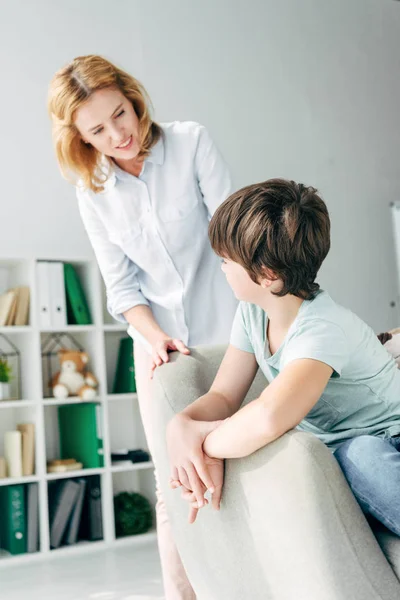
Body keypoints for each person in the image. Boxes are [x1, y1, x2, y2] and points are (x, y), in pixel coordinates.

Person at [48, 54, 237, 599]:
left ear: (134, 99)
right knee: (172, 483)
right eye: (98, 130)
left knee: (242, 462)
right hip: (158, 346)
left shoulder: (190, 142)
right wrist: (155, 339)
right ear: (80, 137)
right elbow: (122, 286)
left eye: (121, 114)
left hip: (230, 334)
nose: (118, 134)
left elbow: (233, 236)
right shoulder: (93, 190)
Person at [167, 178, 400, 536]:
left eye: (226, 261)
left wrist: (201, 446)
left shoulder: (322, 329)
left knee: (362, 456)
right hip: (339, 447)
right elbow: (224, 396)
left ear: (267, 275)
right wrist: (180, 427)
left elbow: (269, 417)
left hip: (388, 438)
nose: (222, 268)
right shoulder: (253, 313)